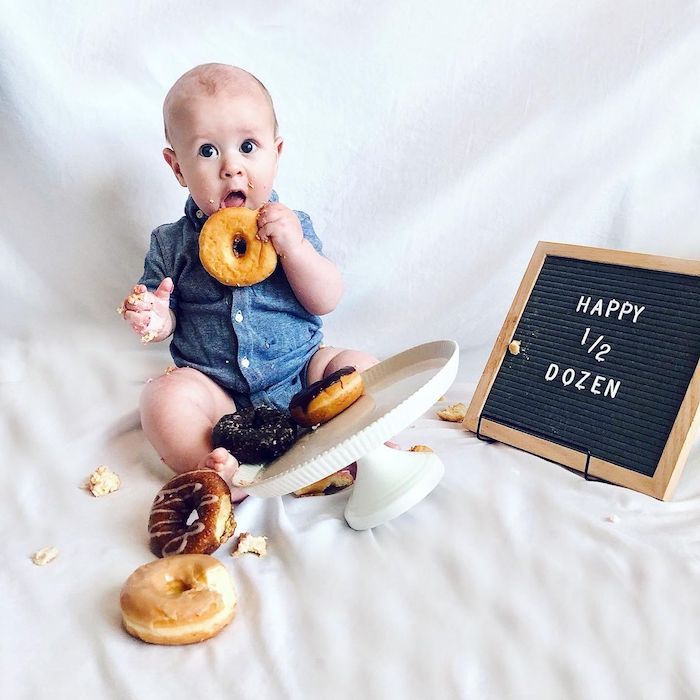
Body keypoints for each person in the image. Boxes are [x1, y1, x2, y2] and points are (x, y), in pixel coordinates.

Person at [120, 63, 377, 500]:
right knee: (162, 397)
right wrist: (154, 316)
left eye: (248, 146)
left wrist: (294, 250)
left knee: (361, 366)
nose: (231, 168)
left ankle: (364, 446)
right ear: (176, 166)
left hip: (302, 380)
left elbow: (326, 299)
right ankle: (214, 467)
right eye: (206, 151)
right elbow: (163, 316)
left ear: (276, 153)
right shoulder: (170, 243)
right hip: (216, 393)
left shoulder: (293, 228)